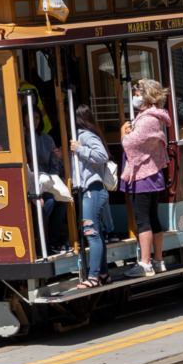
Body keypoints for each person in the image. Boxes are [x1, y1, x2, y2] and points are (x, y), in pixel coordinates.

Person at [120, 80, 174, 274]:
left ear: (148, 96)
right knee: (152, 218)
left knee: (143, 220)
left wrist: (123, 134)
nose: (135, 97)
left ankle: (145, 263)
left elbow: (131, 145)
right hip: (152, 175)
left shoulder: (147, 119)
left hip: (143, 177)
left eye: (138, 94)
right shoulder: (154, 117)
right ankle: (158, 260)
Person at [70, 123, 115, 288]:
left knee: (92, 233)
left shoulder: (85, 136)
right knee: (97, 234)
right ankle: (103, 274)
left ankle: (94, 277)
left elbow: (102, 155)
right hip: (92, 192)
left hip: (93, 191)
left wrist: (80, 149)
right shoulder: (81, 136)